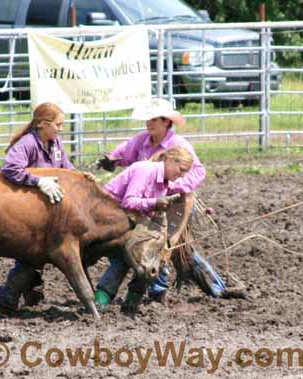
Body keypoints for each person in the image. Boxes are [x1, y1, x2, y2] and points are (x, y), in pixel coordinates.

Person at [95, 98, 226, 311]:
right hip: (150, 201)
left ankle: (205, 288)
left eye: (154, 119)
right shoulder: (142, 141)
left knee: (169, 247)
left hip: (173, 201)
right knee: (164, 248)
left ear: (166, 122)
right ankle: (208, 289)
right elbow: (125, 150)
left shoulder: (179, 146)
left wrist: (176, 185)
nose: (149, 122)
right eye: (148, 118)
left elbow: (198, 171)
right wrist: (113, 158)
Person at [0, 102, 74, 313]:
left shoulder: (56, 144)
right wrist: (38, 181)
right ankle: (9, 295)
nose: (61, 128)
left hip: (49, 212)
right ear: (42, 124)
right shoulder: (28, 143)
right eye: (58, 124)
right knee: (34, 252)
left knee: (37, 253)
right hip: (28, 211)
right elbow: (10, 168)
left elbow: (67, 169)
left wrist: (82, 178)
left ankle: (27, 290)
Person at [98, 147, 194, 314]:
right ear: (170, 160)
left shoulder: (163, 180)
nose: (182, 175)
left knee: (151, 258)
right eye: (181, 170)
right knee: (128, 255)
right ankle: (106, 301)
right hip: (107, 217)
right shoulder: (145, 170)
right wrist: (155, 203)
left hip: (127, 220)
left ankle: (122, 301)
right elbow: (129, 201)